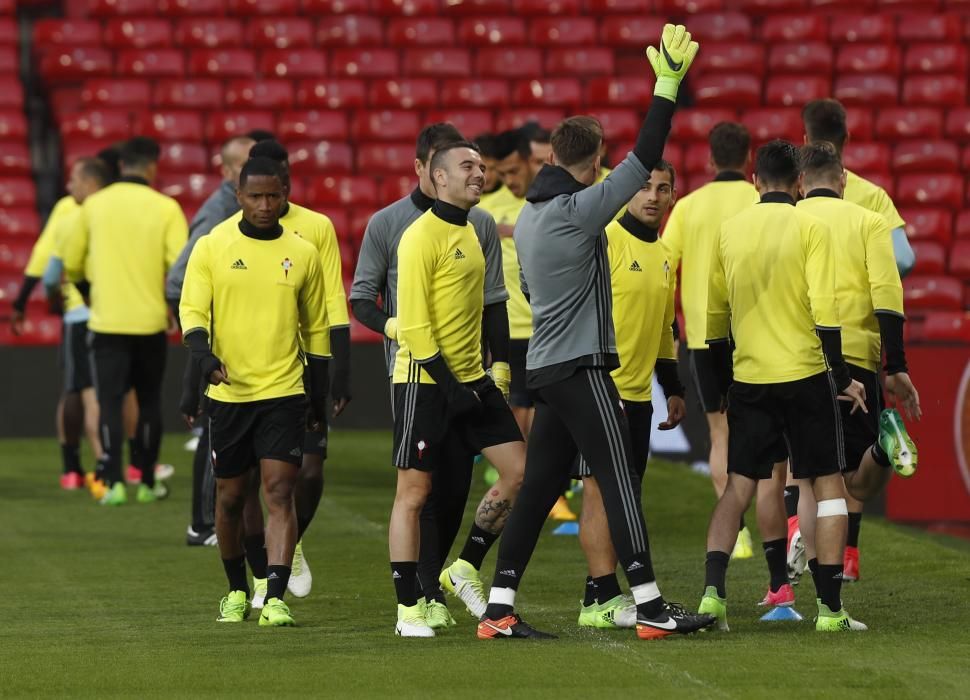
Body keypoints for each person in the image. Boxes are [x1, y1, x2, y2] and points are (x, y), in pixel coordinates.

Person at [479, 25, 714, 640]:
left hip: (546, 369)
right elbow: (645, 157)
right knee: (618, 480)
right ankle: (650, 602)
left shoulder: (529, 217)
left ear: (550, 156)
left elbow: (530, 291)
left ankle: (498, 606)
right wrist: (667, 85)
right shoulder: (579, 211)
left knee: (538, 489)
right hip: (581, 368)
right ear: (594, 162)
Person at [697, 140, 868, 633]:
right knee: (828, 487)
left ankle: (712, 597)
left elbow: (713, 321)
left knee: (738, 489)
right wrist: (842, 375)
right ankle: (831, 611)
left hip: (751, 378)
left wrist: (723, 385)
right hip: (806, 376)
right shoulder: (809, 225)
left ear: (754, 181)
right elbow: (825, 308)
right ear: (798, 183)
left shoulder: (729, 232)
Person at [351, 124, 516, 630]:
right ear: (435, 176)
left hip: (472, 380)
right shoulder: (413, 235)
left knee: (521, 473)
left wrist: (498, 368)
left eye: (481, 167)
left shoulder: (474, 228)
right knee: (416, 494)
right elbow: (415, 325)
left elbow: (493, 301)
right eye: (468, 167)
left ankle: (462, 565)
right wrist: (450, 387)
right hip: (424, 382)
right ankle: (408, 608)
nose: (480, 173)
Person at [179, 157, 330, 626]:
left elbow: (317, 329)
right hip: (230, 396)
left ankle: (276, 594)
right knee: (230, 498)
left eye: (274, 196)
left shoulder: (303, 252)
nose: (266, 205)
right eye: (256, 196)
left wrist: (319, 396)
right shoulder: (212, 246)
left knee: (279, 492)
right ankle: (237, 590)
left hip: (284, 391)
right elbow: (191, 313)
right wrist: (204, 362)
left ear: (285, 194)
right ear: (239, 196)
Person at [798, 98, 916, 580]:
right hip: (861, 345)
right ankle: (847, 560)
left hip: (801, 350)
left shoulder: (790, 212)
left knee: (806, 469)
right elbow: (901, 266)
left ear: (805, 144)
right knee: (854, 473)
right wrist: (896, 365)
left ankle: (801, 557)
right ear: (845, 149)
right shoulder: (872, 205)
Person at [576, 161, 687, 629]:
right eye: (644, 187)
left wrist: (674, 388)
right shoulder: (605, 242)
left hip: (639, 397)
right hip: (604, 392)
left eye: (663, 189)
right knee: (601, 495)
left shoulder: (663, 254)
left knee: (624, 498)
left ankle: (596, 597)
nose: (653, 197)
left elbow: (663, 331)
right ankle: (603, 598)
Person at [240, 138, 351, 601]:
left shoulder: (316, 227)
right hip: (246, 371)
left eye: (281, 183)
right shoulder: (229, 233)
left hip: (304, 368)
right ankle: (262, 569)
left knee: (308, 473)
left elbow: (331, 297)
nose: (273, 193)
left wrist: (339, 369)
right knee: (245, 480)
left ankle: (289, 541)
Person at [61, 136, 187, 506]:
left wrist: (88, 292)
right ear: (152, 166)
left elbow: (71, 259)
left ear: (120, 166)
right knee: (148, 402)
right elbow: (180, 265)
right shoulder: (166, 208)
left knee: (110, 402)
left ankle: (113, 481)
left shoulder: (94, 206)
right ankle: (147, 480)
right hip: (149, 323)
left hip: (106, 323)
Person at [661, 122, 761, 559]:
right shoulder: (762, 199)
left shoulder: (688, 206)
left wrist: (671, 330)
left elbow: (665, 266)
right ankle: (783, 525)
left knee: (720, 432)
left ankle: (736, 531)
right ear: (749, 159)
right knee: (769, 433)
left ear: (709, 159)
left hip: (705, 336)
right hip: (759, 332)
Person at [167, 134, 255, 547]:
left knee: (220, 430)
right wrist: (200, 339)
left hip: (235, 338)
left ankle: (209, 522)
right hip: (217, 341)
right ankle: (203, 523)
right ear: (226, 171)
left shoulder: (243, 210)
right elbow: (177, 279)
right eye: (245, 163)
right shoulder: (219, 213)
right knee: (214, 430)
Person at [12, 158, 110, 489]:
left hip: (78, 313)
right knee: (102, 393)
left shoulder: (70, 211)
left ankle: (73, 469)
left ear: (89, 182)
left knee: (75, 390)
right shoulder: (116, 213)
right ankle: (116, 464)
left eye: (74, 180)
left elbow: (48, 261)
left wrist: (27, 299)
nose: (69, 187)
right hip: (114, 314)